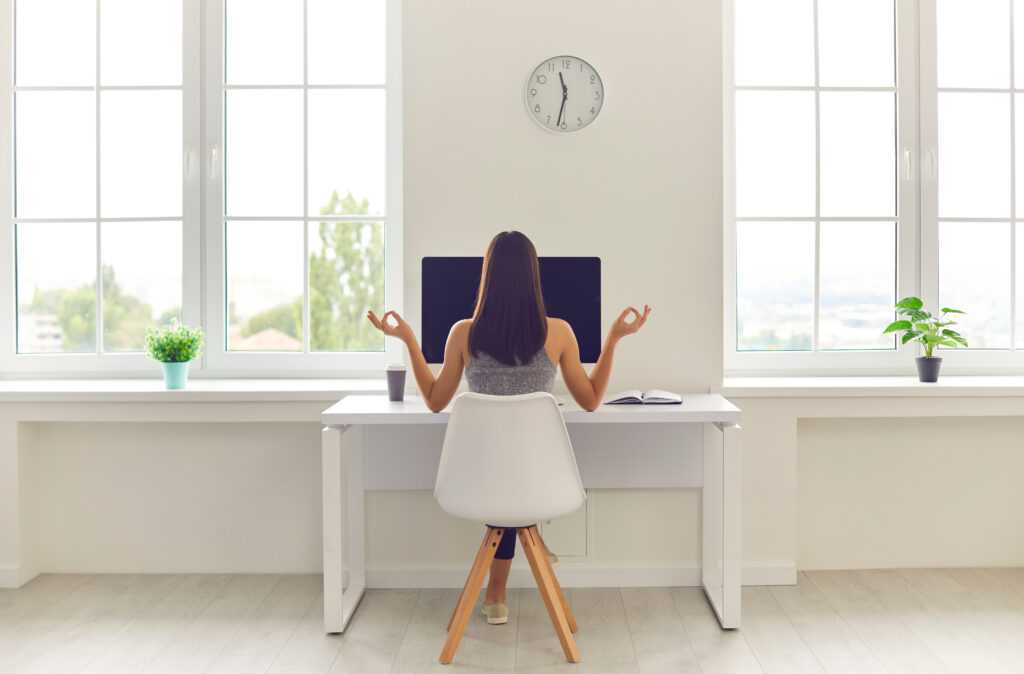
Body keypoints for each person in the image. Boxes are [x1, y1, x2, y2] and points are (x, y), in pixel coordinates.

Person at [366, 230, 651, 625]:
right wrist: (614, 341)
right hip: (540, 479)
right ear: (534, 276)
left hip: (479, 477)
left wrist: (409, 341)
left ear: (487, 275)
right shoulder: (560, 332)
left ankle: (497, 593)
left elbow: (433, 401)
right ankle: (525, 542)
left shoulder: (462, 333)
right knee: (517, 482)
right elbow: (590, 400)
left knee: (505, 478)